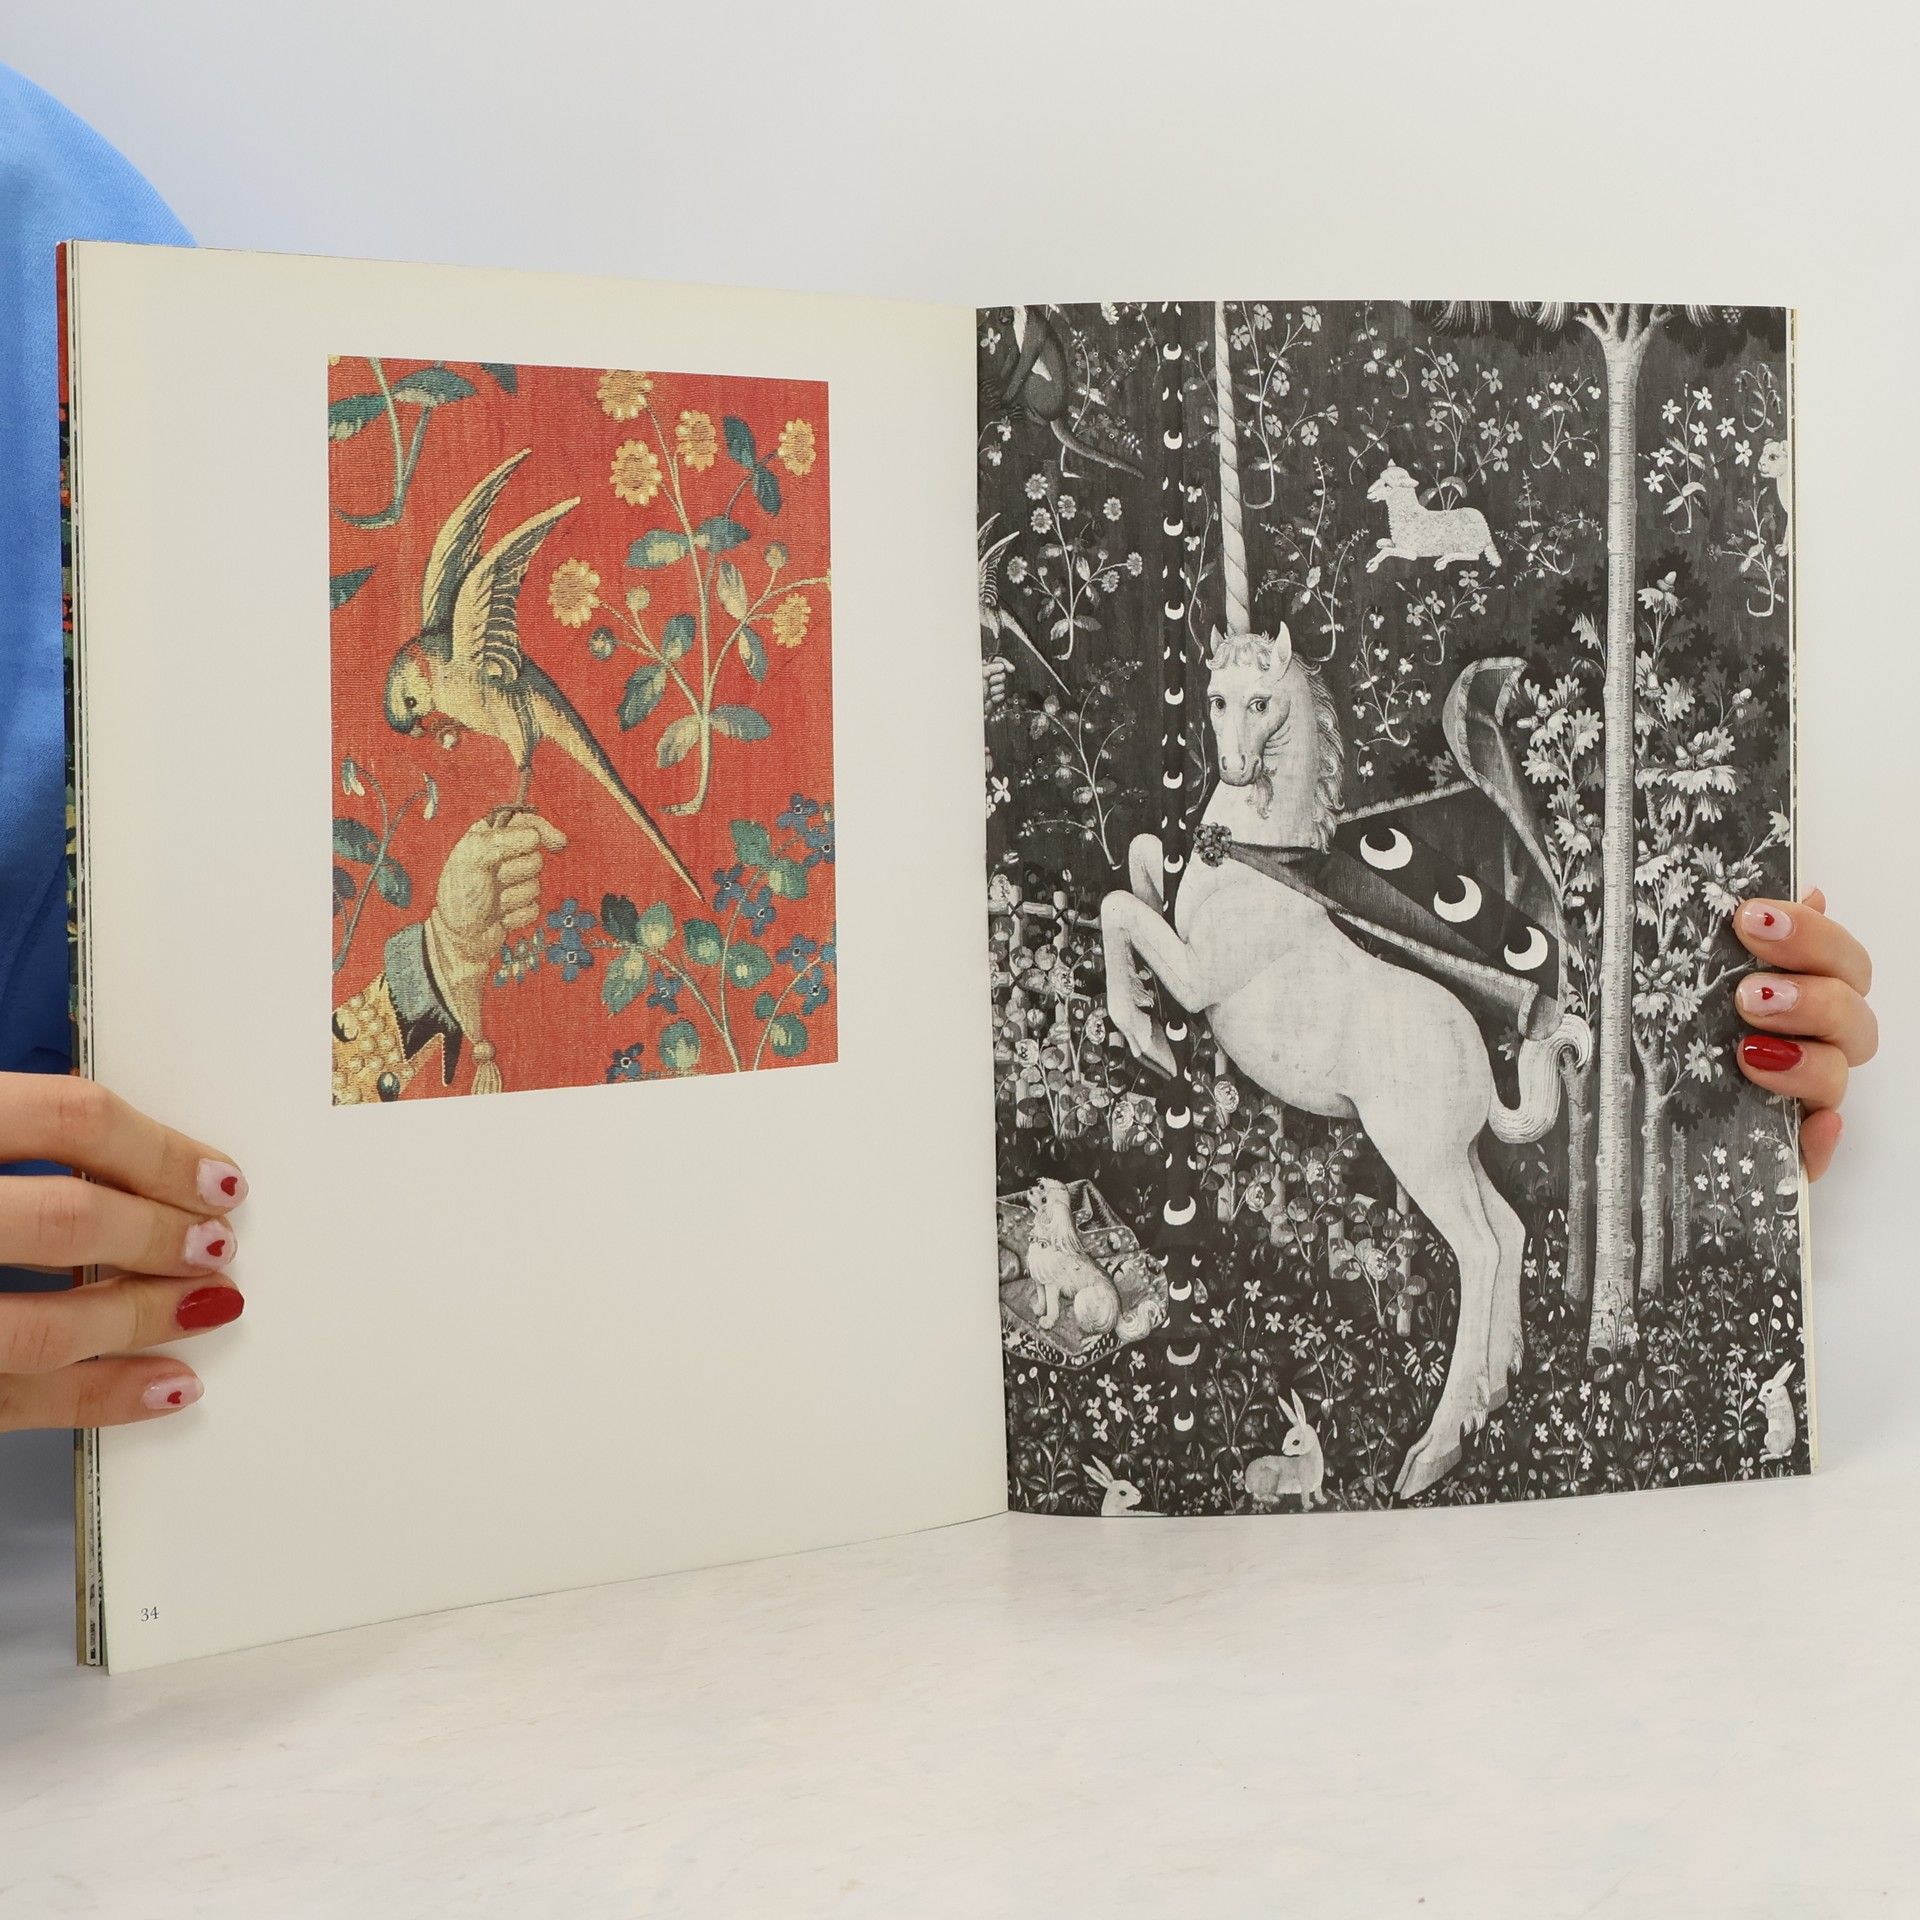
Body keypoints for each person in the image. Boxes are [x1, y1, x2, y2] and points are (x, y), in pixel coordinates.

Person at [0, 74, 1878, 1434]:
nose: (1228, 730)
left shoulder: (78, 235)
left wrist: (1715, 1108)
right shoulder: (122, 289)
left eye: (1249, 707)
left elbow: (235, 901)